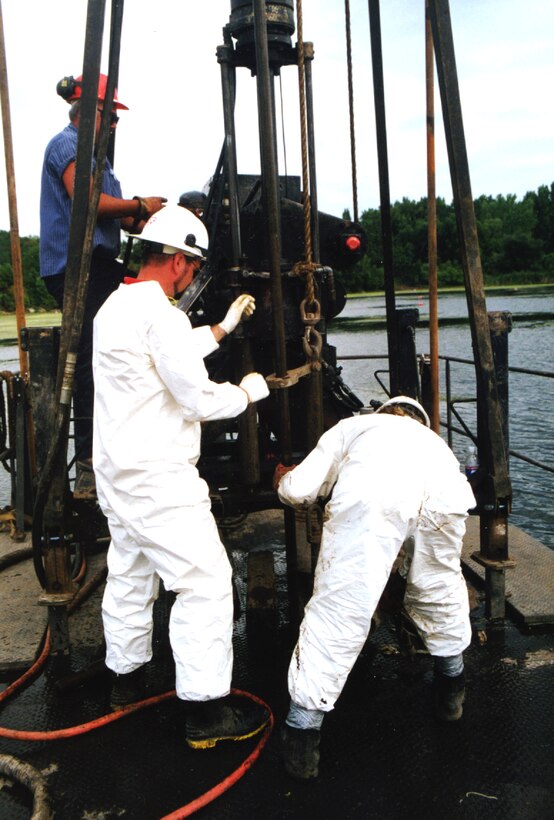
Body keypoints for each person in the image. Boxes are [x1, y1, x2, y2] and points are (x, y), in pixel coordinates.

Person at [92, 204, 270, 747]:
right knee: (206, 584)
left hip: (118, 477)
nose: (191, 276)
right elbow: (193, 395)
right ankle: (205, 712)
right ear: (175, 262)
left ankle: (125, 681)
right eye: (191, 267)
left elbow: (164, 354)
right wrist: (245, 393)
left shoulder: (114, 309)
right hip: (159, 481)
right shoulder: (162, 316)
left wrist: (221, 328)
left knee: (129, 575)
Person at [273, 396, 476, 779]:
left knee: (341, 608)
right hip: (444, 501)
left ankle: (302, 738)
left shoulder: (354, 427)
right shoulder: (437, 445)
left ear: (383, 412)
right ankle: (452, 697)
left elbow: (298, 491)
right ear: (420, 420)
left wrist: (282, 477)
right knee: (440, 593)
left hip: (372, 501)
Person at [39, 73, 167, 500]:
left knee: (134, 333)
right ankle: (91, 466)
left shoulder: (99, 160)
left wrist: (153, 218)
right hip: (76, 269)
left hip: (100, 264)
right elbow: (88, 203)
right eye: (110, 116)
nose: (114, 124)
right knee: (92, 357)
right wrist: (136, 205)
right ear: (89, 113)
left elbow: (119, 216)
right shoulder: (68, 145)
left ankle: (125, 447)